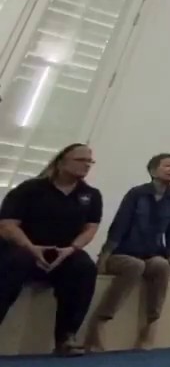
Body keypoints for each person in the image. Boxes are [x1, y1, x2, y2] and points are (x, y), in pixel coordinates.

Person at [0, 143, 102, 356]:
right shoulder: (31, 189)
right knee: (15, 262)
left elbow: (91, 228)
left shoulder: (90, 195)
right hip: (24, 247)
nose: (86, 165)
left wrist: (72, 249)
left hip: (61, 253)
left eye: (89, 161)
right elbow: (7, 225)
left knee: (84, 267)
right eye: (80, 160)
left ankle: (66, 337)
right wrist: (31, 247)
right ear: (61, 161)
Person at [84, 153, 170, 351]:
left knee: (161, 265)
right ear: (153, 171)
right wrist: (104, 257)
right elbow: (119, 225)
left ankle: (151, 324)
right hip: (123, 253)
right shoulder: (137, 194)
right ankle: (100, 321)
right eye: (167, 165)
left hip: (152, 253)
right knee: (135, 265)